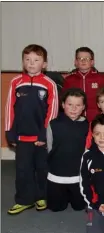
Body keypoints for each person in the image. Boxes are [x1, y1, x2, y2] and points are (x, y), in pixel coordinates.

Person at [5, 44, 59, 215]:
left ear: (44, 64)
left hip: (40, 136)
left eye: (36, 60)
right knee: (23, 169)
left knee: (42, 168)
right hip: (22, 137)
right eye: (27, 60)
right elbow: (9, 109)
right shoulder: (16, 82)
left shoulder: (49, 84)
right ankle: (24, 199)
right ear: (23, 62)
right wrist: (9, 131)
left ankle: (41, 196)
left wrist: (45, 133)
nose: (31, 63)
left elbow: (53, 110)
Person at [46, 88, 88, 212]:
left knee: (79, 207)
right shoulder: (53, 124)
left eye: (78, 105)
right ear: (63, 105)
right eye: (70, 105)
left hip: (78, 176)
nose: (74, 109)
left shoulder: (87, 125)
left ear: (83, 107)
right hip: (57, 175)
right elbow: (49, 148)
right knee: (55, 208)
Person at [63, 47, 104, 122]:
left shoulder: (101, 79)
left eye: (87, 58)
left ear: (92, 62)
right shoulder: (69, 80)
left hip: (96, 120)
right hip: (74, 120)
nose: (83, 61)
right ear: (75, 62)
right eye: (80, 58)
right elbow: (64, 101)